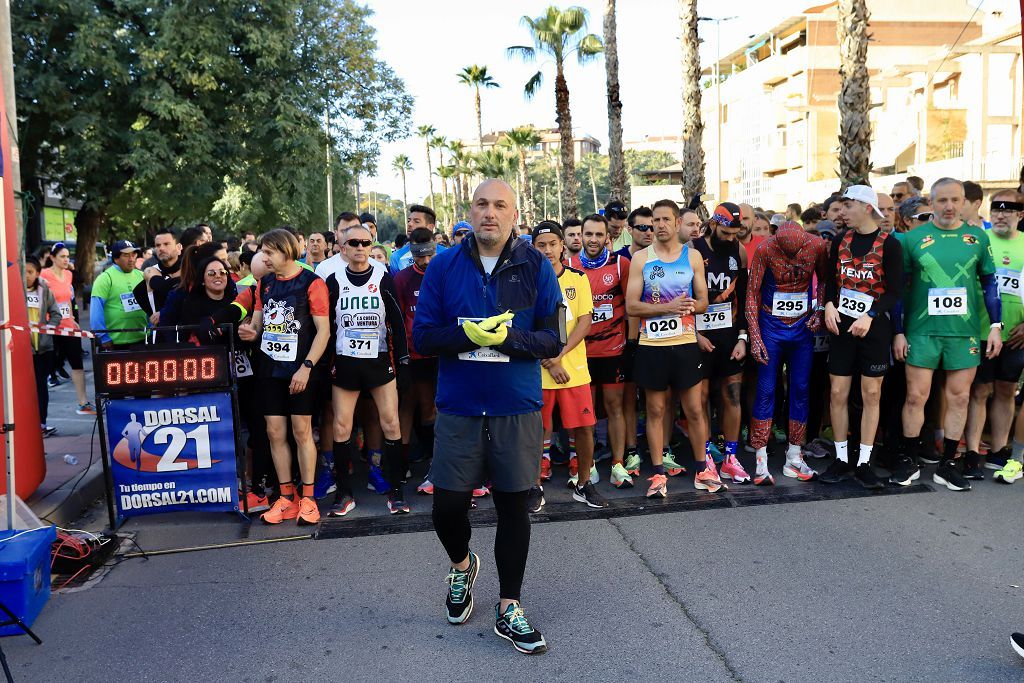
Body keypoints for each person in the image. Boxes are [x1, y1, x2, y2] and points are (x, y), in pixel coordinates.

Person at [413, 179, 561, 654]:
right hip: (458, 407)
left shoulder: (536, 266)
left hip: (515, 407)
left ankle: (508, 606)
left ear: (514, 214)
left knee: (514, 507)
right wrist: (469, 336)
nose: (489, 213)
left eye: (500, 205)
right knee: (447, 507)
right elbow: (423, 337)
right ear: (469, 212)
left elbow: (552, 340)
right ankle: (462, 566)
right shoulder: (443, 265)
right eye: (481, 204)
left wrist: (506, 340)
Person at [893, 178, 1002, 492]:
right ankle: (909, 459)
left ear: (965, 201)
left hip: (963, 332)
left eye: (955, 200)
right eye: (942, 201)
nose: (949, 207)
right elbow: (899, 290)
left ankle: (948, 464)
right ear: (931, 202)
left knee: (960, 397)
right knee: (916, 397)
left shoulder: (977, 238)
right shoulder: (913, 240)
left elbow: (990, 284)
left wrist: (996, 326)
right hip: (922, 330)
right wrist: (899, 332)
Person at [626, 199, 721, 497]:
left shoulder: (692, 258)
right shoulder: (642, 259)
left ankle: (702, 468)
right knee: (655, 409)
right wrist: (667, 307)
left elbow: (704, 301)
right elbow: (631, 306)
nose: (660, 225)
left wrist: (692, 306)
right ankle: (657, 474)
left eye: (666, 219)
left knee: (694, 408)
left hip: (684, 344)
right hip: (652, 345)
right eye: (656, 220)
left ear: (678, 222)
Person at [237, 228, 330, 525]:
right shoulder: (263, 284)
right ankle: (286, 497)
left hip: (300, 370)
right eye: (262, 252)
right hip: (268, 370)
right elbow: (257, 325)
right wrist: (250, 332)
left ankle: (309, 498)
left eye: (268, 252)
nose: (263, 258)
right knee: (275, 432)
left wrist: (306, 367)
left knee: (302, 432)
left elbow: (324, 331)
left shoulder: (312, 283)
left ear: (286, 250)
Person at [819, 186, 903, 490]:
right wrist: (828, 304)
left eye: (848, 205)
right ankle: (842, 458)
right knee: (838, 392)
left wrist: (870, 315)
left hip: (873, 329)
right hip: (841, 328)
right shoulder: (841, 240)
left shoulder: (889, 245)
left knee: (871, 394)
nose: (842, 212)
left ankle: (864, 460)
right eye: (841, 206)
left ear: (867, 207)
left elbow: (894, 291)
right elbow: (831, 282)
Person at [324, 224, 410, 516]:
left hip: (378, 360)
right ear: (343, 248)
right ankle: (344, 493)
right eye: (353, 243)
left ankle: (397, 491)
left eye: (365, 242)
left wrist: (403, 361)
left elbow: (397, 323)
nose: (360, 247)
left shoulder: (383, 277)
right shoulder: (333, 280)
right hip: (345, 362)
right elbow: (326, 328)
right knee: (341, 426)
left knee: (391, 423)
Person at [532, 221, 606, 508]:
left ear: (562, 245)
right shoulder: (527, 281)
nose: (548, 250)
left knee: (585, 428)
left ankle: (584, 483)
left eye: (553, 244)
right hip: (538, 372)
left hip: (572, 371)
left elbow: (585, 322)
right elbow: (523, 326)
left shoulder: (578, 278)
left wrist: (559, 356)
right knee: (536, 431)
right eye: (541, 245)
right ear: (534, 248)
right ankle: (534, 487)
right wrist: (548, 362)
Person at [746, 221, 827, 485]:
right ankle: (760, 457)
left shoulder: (817, 246)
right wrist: (755, 336)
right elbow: (752, 294)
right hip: (771, 327)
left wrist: (819, 311)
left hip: (801, 328)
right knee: (766, 389)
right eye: (785, 252)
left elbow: (825, 281)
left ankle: (794, 454)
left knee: (801, 389)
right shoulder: (765, 249)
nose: (790, 257)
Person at [962, 190, 1024, 482]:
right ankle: (972, 452)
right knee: (979, 391)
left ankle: (999, 451)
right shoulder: (978, 241)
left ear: (1020, 214)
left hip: (1016, 333)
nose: (1001, 214)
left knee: (1005, 390)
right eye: (996, 208)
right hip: (980, 330)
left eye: (1009, 209)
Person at [568, 214, 633, 487]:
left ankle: (618, 463)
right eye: (588, 234)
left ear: (608, 237)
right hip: (580, 352)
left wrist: (631, 344)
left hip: (613, 349)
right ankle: (588, 464)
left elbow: (632, 308)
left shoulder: (621, 264)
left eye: (598, 235)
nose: (593, 240)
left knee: (614, 407)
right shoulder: (568, 266)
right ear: (580, 236)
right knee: (586, 411)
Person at [692, 203, 752, 484]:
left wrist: (743, 336)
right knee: (700, 400)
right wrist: (694, 334)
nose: (731, 238)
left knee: (733, 397)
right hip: (699, 334)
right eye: (727, 233)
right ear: (713, 224)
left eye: (735, 233)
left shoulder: (738, 250)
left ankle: (730, 457)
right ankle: (705, 459)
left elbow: (743, 295)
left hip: (730, 335)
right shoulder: (692, 250)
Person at [394, 231, 441, 492]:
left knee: (433, 408)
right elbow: (398, 318)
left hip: (440, 353)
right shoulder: (402, 278)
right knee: (409, 405)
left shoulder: (443, 274)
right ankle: (401, 465)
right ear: (411, 254)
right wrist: (401, 353)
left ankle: (437, 464)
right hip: (412, 355)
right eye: (418, 255)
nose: (424, 260)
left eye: (429, 255)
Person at [40, 243, 95, 414]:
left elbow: (68, 299)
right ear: (53, 258)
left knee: (77, 363)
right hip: (50, 327)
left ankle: (83, 403)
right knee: (45, 367)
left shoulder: (69, 275)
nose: (66, 260)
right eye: (62, 256)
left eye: (67, 256)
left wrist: (71, 318)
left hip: (68, 326)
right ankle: (39, 413)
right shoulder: (43, 275)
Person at [25, 257, 61, 437]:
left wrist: (47, 330)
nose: (26, 276)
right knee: (24, 389)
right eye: (23, 271)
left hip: (44, 349)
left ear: (38, 273)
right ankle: (24, 423)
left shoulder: (44, 290)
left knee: (41, 387)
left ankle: (42, 423)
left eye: (30, 272)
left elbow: (56, 314)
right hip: (23, 350)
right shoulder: (13, 292)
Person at [91, 240, 149, 350]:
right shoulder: (105, 278)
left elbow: (151, 305)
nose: (131, 259)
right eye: (126, 255)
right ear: (116, 258)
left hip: (143, 338)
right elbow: (96, 311)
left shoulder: (142, 276)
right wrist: (103, 337)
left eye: (133, 254)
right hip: (115, 342)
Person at [134, 227, 182, 323]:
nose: (161, 248)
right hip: (163, 332)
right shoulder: (150, 270)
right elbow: (139, 292)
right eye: (158, 245)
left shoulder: (189, 268)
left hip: (188, 331)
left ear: (179, 247)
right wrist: (152, 313)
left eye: (166, 244)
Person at [390, 205, 442, 272]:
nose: (410, 224)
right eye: (409, 221)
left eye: (416, 221)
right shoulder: (396, 256)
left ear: (430, 227)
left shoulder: (446, 253)